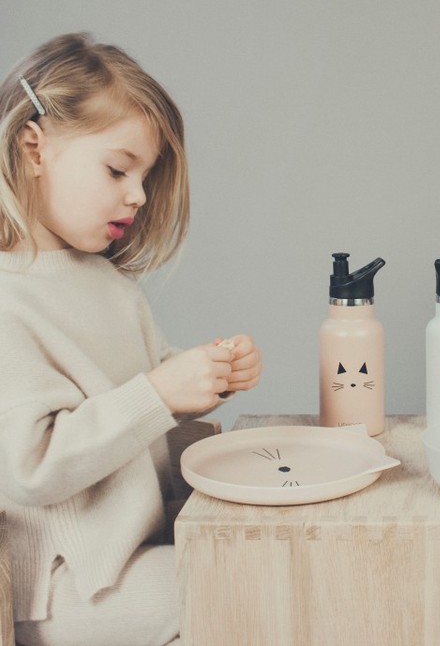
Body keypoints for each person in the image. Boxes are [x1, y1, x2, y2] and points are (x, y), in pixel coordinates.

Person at [0, 33, 262, 646]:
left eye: (145, 175)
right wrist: (162, 391)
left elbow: (138, 380)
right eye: (118, 169)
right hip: (68, 585)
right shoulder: (8, 299)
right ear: (35, 148)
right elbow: (29, 466)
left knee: (264, 567)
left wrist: (207, 373)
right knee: (245, 585)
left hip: (139, 553)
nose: (138, 195)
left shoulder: (107, 283)